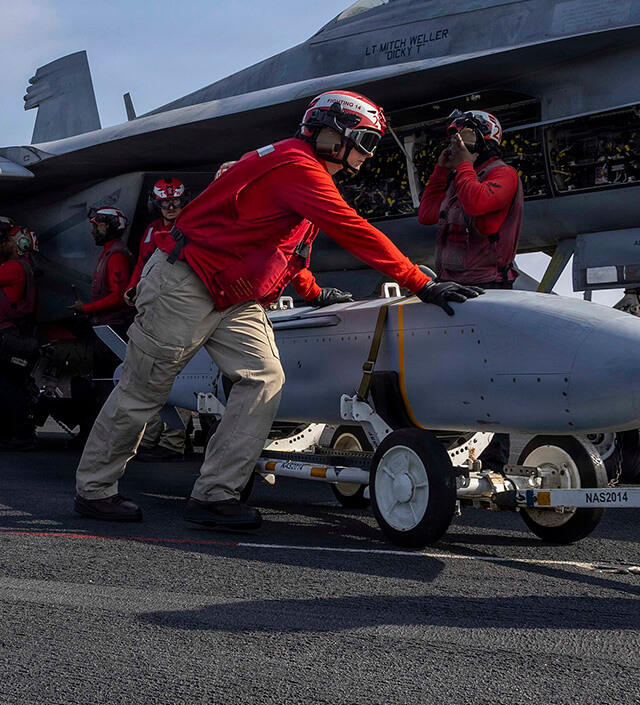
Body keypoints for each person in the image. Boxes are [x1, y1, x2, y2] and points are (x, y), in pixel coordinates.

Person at [73, 89, 483, 529]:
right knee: (145, 389)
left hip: (233, 293)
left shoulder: (298, 170)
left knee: (264, 378)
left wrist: (314, 292)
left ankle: (216, 493)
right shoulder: (297, 166)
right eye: (365, 142)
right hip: (186, 282)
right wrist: (422, 283)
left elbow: (284, 249)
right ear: (333, 135)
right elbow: (352, 229)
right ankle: (94, 490)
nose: (368, 155)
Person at [418, 109, 524, 472]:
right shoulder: (460, 179)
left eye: (465, 137)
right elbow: (427, 213)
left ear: (485, 139)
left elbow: (479, 203)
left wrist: (461, 166)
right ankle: (455, 448)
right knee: (452, 372)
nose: (458, 143)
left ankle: (495, 461)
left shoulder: (503, 174)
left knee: (490, 374)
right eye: (454, 138)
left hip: (487, 289)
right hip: (452, 286)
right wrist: (441, 171)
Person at [129, 178, 192, 463]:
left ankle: (174, 441)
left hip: (180, 310)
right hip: (155, 308)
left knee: (180, 375)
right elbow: (142, 264)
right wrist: (133, 288)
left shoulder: (191, 226)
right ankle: (151, 438)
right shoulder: (151, 231)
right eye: (165, 203)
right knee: (152, 373)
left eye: (175, 202)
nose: (170, 207)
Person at [0, 221, 39, 450]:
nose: (3, 244)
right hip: (18, 335)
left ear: (20, 244)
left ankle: (21, 435)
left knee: (9, 386)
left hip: (10, 336)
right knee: (9, 386)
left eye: (7, 240)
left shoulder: (14, 268)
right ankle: (12, 434)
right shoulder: (23, 266)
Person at [69, 207, 135, 334]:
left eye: (98, 227)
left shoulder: (117, 257)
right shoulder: (111, 252)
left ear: (112, 227)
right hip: (107, 324)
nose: (93, 232)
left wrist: (85, 308)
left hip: (112, 327)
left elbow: (118, 297)